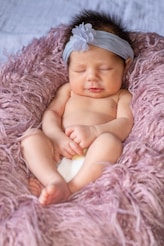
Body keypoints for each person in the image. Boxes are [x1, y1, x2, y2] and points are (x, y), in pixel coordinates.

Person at [21, 10, 134, 205]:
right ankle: (52, 179)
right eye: (80, 70)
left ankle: (71, 189)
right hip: (58, 153)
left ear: (126, 65)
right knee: (30, 137)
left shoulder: (121, 96)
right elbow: (52, 113)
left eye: (105, 69)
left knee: (110, 142)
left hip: (92, 159)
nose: (91, 77)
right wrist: (56, 137)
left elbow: (125, 123)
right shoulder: (68, 91)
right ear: (68, 69)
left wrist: (96, 131)